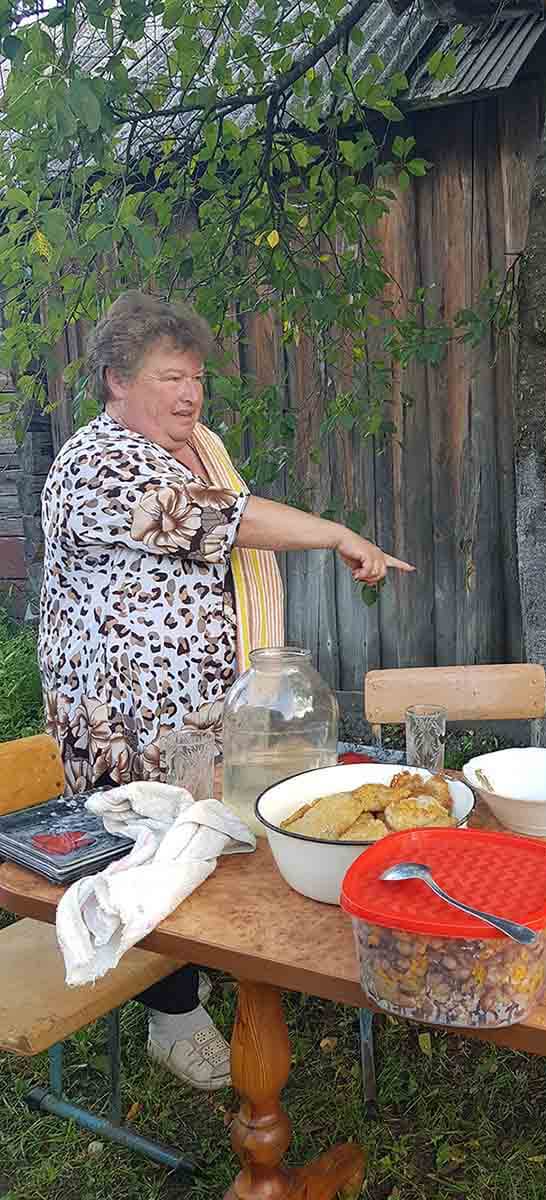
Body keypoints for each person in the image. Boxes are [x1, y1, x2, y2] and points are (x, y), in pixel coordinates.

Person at [39, 291, 414, 1091]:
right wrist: (338, 533)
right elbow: (225, 522)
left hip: (198, 710)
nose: (190, 394)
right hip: (127, 720)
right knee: (153, 848)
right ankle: (172, 1017)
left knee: (208, 841)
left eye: (197, 378)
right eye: (170, 377)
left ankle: (213, 977)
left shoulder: (188, 450)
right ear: (115, 380)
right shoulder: (97, 462)